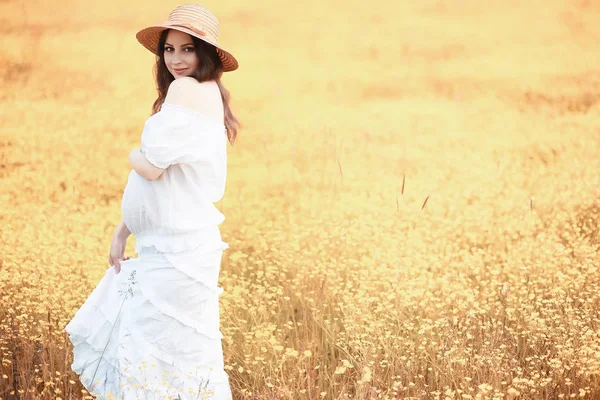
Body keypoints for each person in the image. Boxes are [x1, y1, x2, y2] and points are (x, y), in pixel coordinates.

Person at [64, 4, 239, 399]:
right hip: (177, 243)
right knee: (179, 353)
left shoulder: (185, 90)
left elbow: (153, 169)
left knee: (152, 349)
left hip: (176, 248)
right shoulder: (207, 92)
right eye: (169, 49)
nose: (176, 59)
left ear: (205, 53)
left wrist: (130, 153)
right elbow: (169, 178)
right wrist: (122, 230)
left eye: (187, 49)